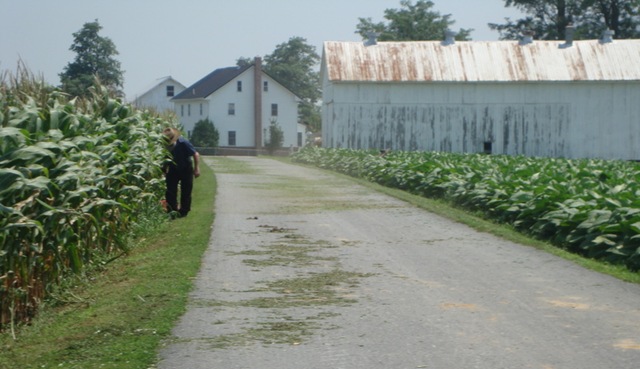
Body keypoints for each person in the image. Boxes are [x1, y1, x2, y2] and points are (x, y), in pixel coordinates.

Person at [163, 127, 200, 218]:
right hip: (172, 169)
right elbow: (164, 158)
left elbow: (195, 154)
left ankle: (184, 211)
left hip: (186, 168)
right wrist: (163, 169)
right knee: (170, 191)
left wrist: (196, 168)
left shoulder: (183, 143)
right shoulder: (164, 145)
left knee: (186, 190)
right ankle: (172, 211)